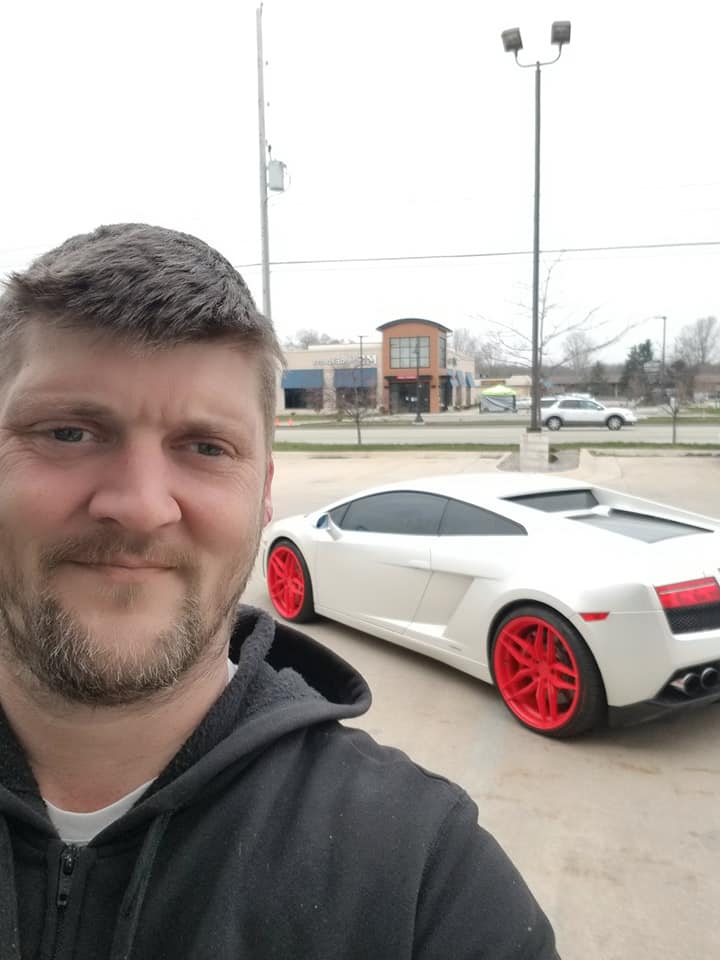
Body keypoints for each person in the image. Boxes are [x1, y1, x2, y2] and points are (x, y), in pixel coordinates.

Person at [0, 223, 559, 959]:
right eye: (68, 433)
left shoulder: (424, 877)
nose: (139, 506)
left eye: (206, 447)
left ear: (264, 494)